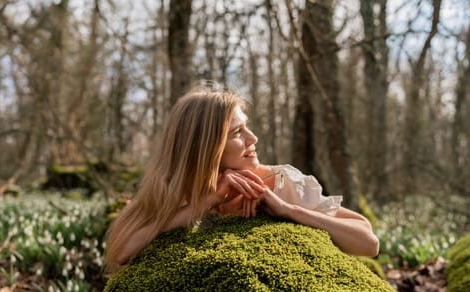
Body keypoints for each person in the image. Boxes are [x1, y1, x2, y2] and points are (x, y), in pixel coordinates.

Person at [104, 88, 379, 274]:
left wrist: (289, 210)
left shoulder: (279, 181)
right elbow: (122, 252)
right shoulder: (175, 190)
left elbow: (368, 242)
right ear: (206, 147)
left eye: (247, 127)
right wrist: (209, 200)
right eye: (237, 132)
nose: (253, 138)